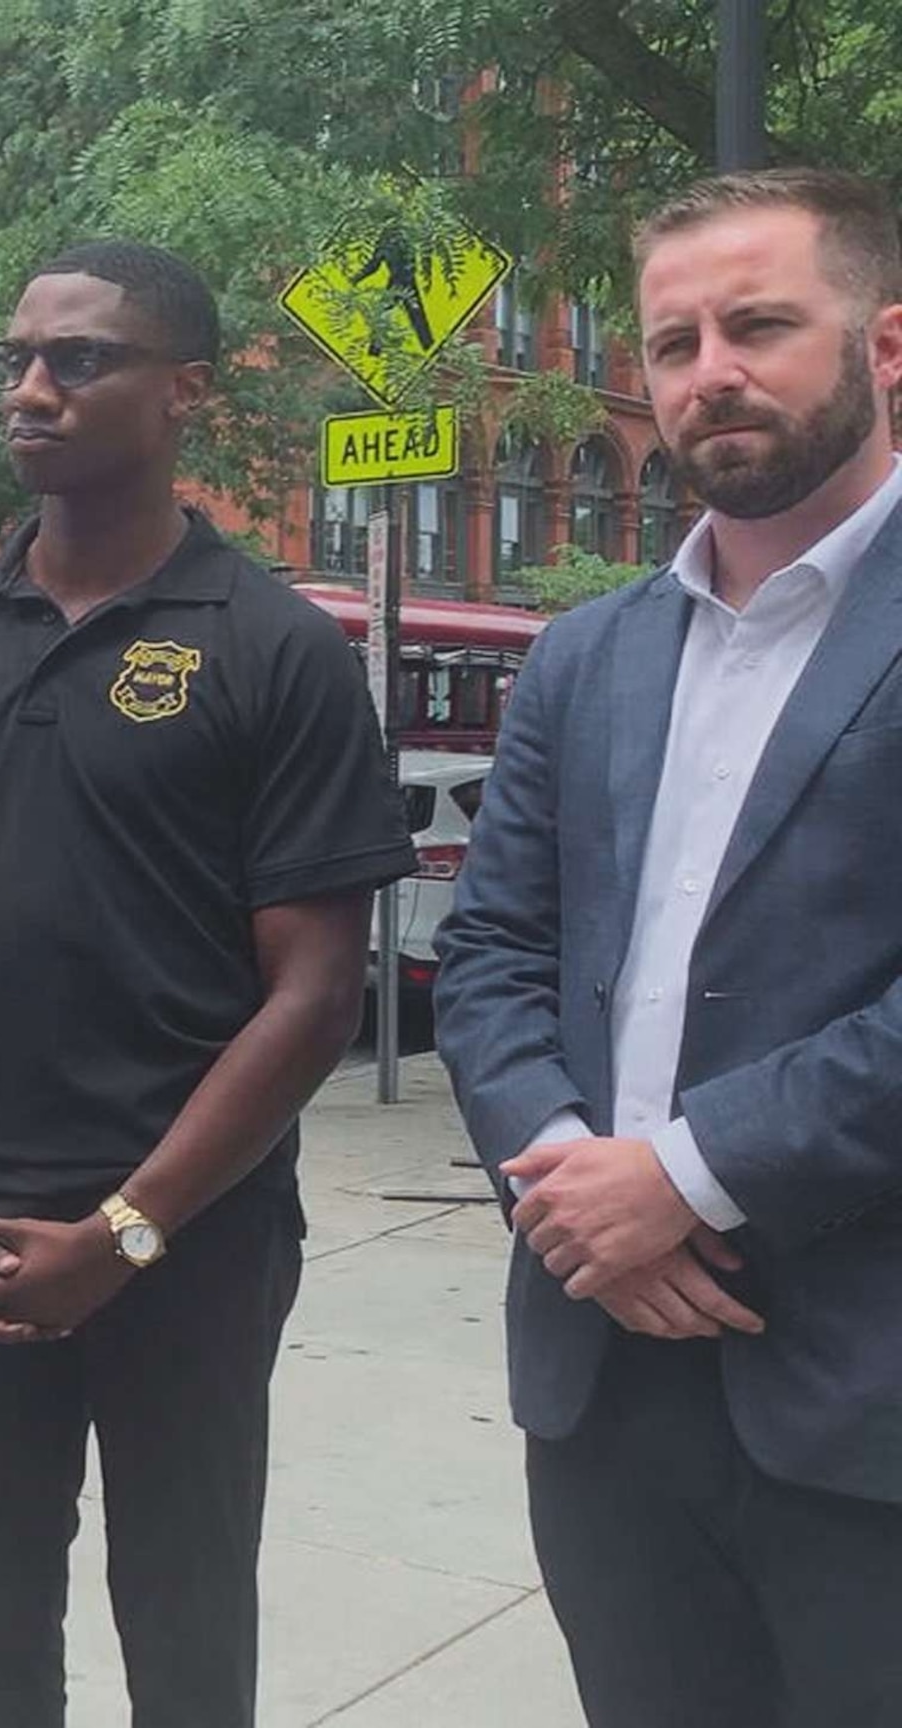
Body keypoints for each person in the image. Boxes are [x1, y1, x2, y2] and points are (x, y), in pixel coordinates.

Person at [0, 242, 412, 1728]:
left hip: (192, 1243)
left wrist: (127, 1229)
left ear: (184, 394)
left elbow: (313, 991)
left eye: (80, 359)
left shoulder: (274, 650)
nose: (33, 388)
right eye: (17, 358)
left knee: (183, 1619)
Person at [435, 168, 902, 1726]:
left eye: (761, 325)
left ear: (886, 345)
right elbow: (494, 949)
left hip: (867, 1394)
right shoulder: (590, 651)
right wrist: (575, 1185)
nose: (713, 371)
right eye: (674, 340)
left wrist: (684, 1175)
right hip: (603, 1380)